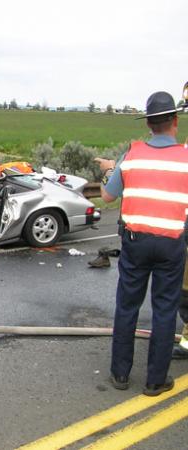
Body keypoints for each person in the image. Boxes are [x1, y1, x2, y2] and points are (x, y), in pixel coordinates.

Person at [95, 91, 187, 396]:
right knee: (164, 310)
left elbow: (108, 196)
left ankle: (120, 374)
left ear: (148, 123)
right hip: (172, 243)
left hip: (135, 243)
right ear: (175, 122)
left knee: (127, 307)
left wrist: (110, 170)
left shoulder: (132, 154)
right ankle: (155, 380)